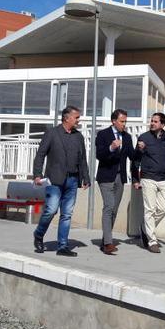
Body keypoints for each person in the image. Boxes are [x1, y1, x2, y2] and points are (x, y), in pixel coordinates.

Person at [32, 106, 90, 257]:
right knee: (51, 210)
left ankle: (62, 246)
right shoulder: (52, 133)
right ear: (67, 118)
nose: (79, 120)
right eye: (76, 117)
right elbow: (40, 155)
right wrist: (37, 175)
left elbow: (82, 159)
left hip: (72, 180)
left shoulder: (78, 137)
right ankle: (39, 234)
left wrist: (86, 177)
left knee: (67, 214)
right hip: (54, 179)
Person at [132, 112, 165, 253]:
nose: (152, 123)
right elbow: (135, 160)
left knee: (163, 209)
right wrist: (136, 179)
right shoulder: (144, 138)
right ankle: (152, 241)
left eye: (155, 121)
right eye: (151, 121)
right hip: (148, 178)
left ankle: (145, 228)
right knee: (149, 210)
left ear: (162, 124)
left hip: (164, 179)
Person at [94, 108, 135, 255]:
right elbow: (99, 155)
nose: (124, 124)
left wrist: (141, 150)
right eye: (122, 121)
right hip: (106, 177)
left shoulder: (127, 137)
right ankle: (108, 243)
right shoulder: (103, 134)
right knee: (109, 207)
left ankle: (106, 240)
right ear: (113, 121)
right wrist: (111, 147)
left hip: (120, 177)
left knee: (114, 210)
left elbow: (133, 157)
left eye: (125, 121)